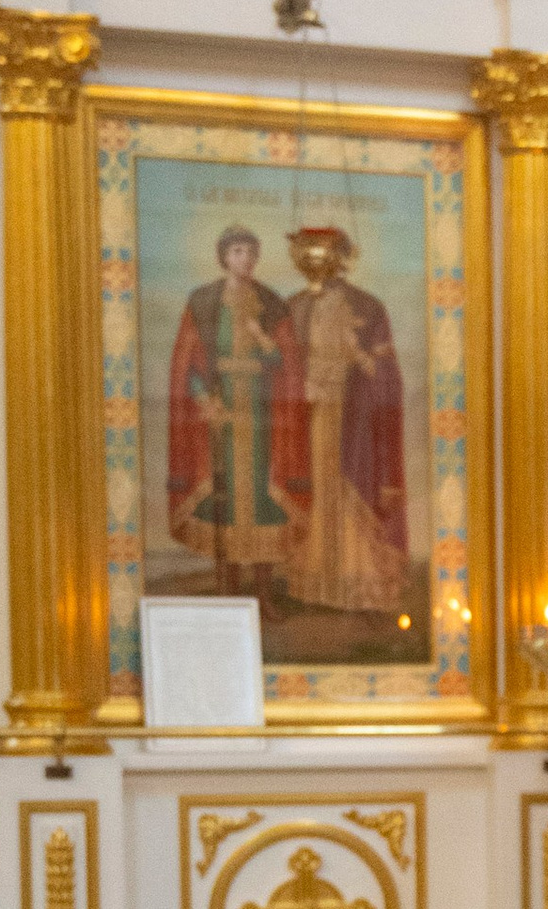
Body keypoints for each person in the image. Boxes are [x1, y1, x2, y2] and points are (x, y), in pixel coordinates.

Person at [279, 221, 409, 622]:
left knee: (347, 490)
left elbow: (386, 376)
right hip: (306, 415)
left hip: (352, 417)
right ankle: (313, 580)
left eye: (324, 249)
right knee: (314, 491)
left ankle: (358, 585)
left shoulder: (367, 307)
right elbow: (280, 366)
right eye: (307, 248)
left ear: (340, 256)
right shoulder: (294, 306)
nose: (315, 257)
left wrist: (356, 356)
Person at [167, 224, 296, 602]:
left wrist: (261, 339)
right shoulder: (203, 302)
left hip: (260, 417)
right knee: (224, 499)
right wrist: (204, 400)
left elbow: (286, 363)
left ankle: (263, 594)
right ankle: (227, 590)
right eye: (238, 251)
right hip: (218, 416)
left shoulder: (272, 304)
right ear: (224, 256)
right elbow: (186, 365)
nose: (246, 259)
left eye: (251, 252)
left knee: (261, 499)